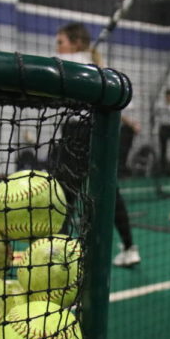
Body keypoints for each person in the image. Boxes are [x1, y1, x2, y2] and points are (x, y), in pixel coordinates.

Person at [53, 22, 141, 267]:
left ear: (77, 43)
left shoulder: (74, 65)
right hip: (101, 135)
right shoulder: (97, 67)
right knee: (108, 191)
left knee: (65, 192)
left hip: (77, 134)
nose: (57, 48)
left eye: (61, 42)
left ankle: (57, 255)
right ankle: (130, 247)